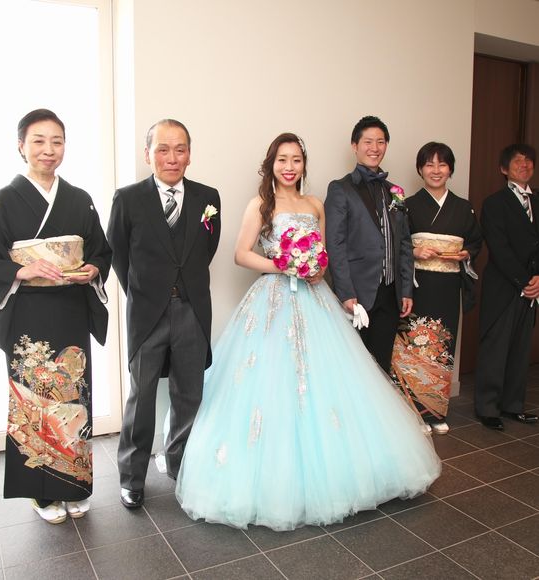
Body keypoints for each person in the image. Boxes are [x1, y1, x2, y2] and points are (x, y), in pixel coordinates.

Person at [175, 133, 441, 531]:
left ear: (303, 165)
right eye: (282, 160)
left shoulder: (315, 204)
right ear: (271, 165)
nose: (289, 167)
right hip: (273, 298)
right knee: (272, 382)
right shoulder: (260, 204)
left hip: (315, 299)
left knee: (328, 380)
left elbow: (326, 253)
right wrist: (284, 265)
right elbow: (241, 254)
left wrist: (316, 267)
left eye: (296, 160)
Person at [0, 109, 111, 524]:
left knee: (74, 396)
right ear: (21, 146)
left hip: (70, 311)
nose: (49, 150)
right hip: (27, 316)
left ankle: (75, 486)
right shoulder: (3, 201)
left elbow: (101, 250)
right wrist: (20, 270)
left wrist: (93, 268)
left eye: (57, 141)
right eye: (39, 141)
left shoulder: (79, 199)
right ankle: (42, 494)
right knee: (35, 400)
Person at [107, 119, 221, 509]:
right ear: (148, 154)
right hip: (148, 313)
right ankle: (132, 478)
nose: (172, 158)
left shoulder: (208, 197)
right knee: (141, 398)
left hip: (192, 309)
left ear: (189, 154)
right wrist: (146, 293)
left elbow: (206, 250)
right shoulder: (128, 199)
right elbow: (119, 255)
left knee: (189, 393)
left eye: (180, 149)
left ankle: (179, 464)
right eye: (163, 149)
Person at [390, 142, 482, 435]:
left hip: (448, 285)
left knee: (441, 346)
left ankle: (435, 412)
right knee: (412, 347)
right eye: (429, 164)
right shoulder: (408, 205)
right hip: (417, 285)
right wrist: (415, 251)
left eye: (442, 164)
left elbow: (474, 241)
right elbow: (396, 243)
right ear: (420, 169)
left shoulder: (463, 207)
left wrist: (465, 253)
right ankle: (412, 413)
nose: (436, 170)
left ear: (450, 169)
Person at [325, 116, 414, 373]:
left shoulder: (395, 191)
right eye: (368, 142)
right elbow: (335, 244)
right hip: (357, 293)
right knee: (355, 368)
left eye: (381, 142)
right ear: (355, 146)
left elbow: (404, 243)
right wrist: (345, 293)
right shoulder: (340, 189)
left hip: (390, 293)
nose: (375, 148)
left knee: (382, 365)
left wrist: (406, 289)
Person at [475, 144, 539, 430]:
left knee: (521, 348)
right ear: (504, 169)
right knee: (496, 347)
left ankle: (513, 405)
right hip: (504, 286)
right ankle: (488, 408)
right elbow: (498, 248)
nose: (524, 165)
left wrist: (538, 279)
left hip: (533, 287)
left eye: (528, 161)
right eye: (517, 161)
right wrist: (524, 281)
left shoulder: (537, 200)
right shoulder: (494, 203)